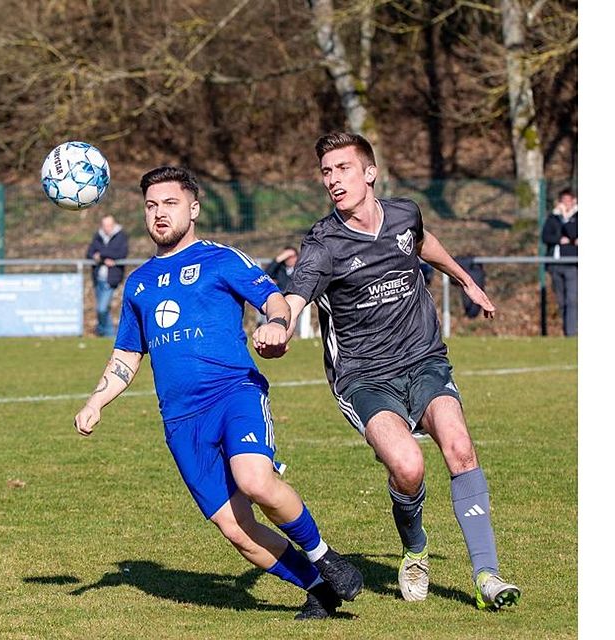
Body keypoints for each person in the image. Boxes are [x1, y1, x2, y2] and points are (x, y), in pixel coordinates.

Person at [73, 166, 363, 620]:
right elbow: (127, 356)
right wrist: (96, 401)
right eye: (151, 205)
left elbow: (275, 300)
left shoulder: (222, 259)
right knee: (236, 528)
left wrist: (275, 324)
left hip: (233, 394)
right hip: (181, 420)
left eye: (169, 203)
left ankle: (324, 554)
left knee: (254, 480)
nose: (159, 214)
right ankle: (317, 587)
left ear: (193, 208)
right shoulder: (139, 283)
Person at [254, 132, 521, 611]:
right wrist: (279, 324)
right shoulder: (323, 243)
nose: (333, 179)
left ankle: (487, 574)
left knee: (460, 446)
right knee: (408, 466)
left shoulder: (404, 213)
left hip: (423, 358)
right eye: (326, 172)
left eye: (343, 168)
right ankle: (415, 548)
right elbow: (296, 294)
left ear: (370, 172)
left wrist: (465, 280)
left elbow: (422, 243)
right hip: (362, 376)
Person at [541, 188, 578, 336]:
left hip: (572, 264)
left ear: (574, 201)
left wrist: (565, 218)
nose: (566, 204)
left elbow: (572, 234)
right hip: (556, 264)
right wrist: (559, 240)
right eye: (563, 201)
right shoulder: (552, 218)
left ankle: (571, 333)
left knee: (572, 300)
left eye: (568, 201)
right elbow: (545, 237)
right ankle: (566, 332)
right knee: (561, 301)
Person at [85, 214, 129, 336]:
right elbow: (89, 253)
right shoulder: (98, 236)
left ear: (114, 225)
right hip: (98, 278)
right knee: (102, 309)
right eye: (104, 225)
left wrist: (101, 255)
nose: (107, 228)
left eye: (109, 225)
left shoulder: (121, 236)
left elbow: (121, 253)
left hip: (111, 279)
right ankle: (104, 332)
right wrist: (104, 259)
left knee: (102, 308)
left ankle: (108, 333)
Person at [264, 246, 314, 339]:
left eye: (291, 256)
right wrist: (279, 259)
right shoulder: (280, 269)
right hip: (281, 300)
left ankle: (299, 335)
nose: (289, 259)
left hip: (298, 299)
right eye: (286, 257)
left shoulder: (302, 270)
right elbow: (266, 275)